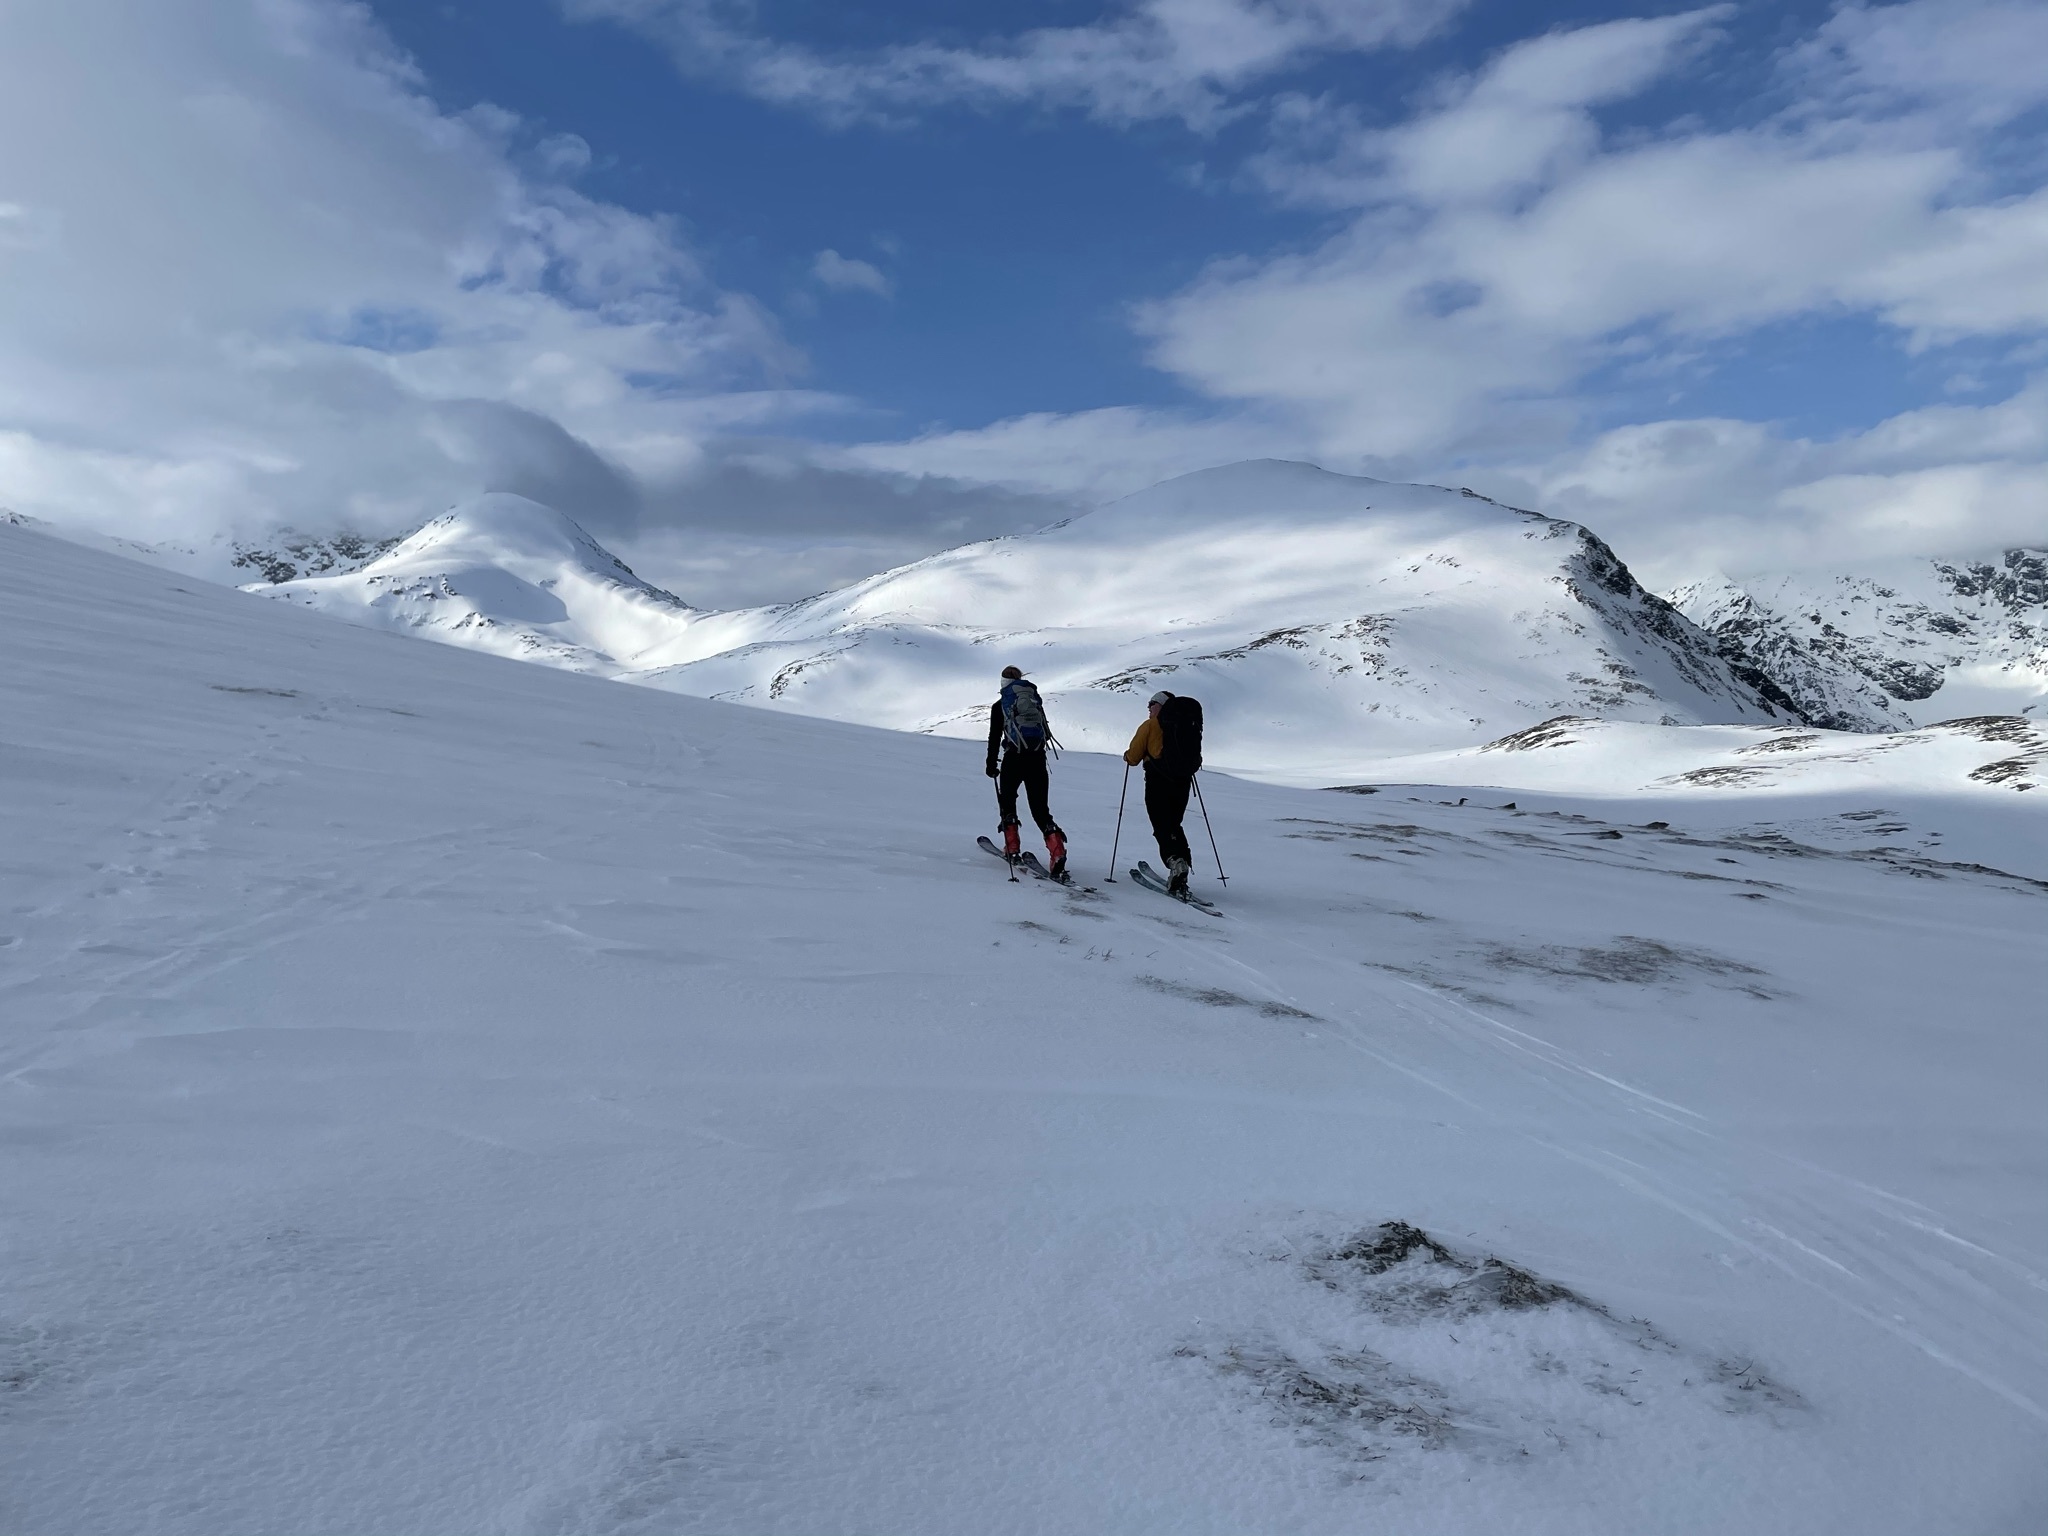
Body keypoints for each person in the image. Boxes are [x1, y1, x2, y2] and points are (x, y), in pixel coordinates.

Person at [986, 666, 1068, 877]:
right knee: (1040, 809)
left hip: (1013, 758)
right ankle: (1057, 850)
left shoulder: (1001, 706)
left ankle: (1012, 848)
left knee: (1008, 802)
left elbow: (994, 736)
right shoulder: (1034, 704)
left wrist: (991, 763)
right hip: (1037, 759)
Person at [1124, 689, 1202, 896]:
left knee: (1161, 825)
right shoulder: (1184, 726)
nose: (1149, 708)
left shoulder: (1150, 725)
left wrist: (1127, 756)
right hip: (1182, 781)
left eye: (1152, 704)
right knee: (1174, 824)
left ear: (1161, 706)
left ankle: (1175, 862)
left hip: (1157, 781)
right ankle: (1182, 862)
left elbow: (1133, 758)